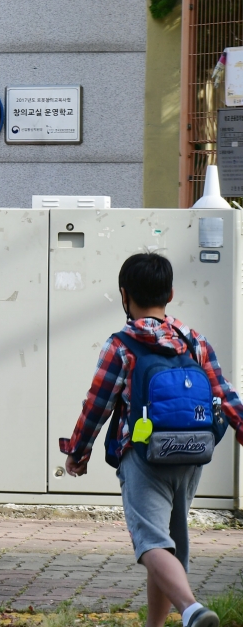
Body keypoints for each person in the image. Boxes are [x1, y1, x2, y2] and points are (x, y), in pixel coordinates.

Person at [61, 253, 243, 627]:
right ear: (171, 293)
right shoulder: (194, 341)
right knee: (170, 542)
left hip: (144, 456)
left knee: (151, 543)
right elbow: (225, 396)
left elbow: (96, 405)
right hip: (193, 453)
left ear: (124, 295)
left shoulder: (122, 344)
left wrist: (78, 451)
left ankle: (191, 610)